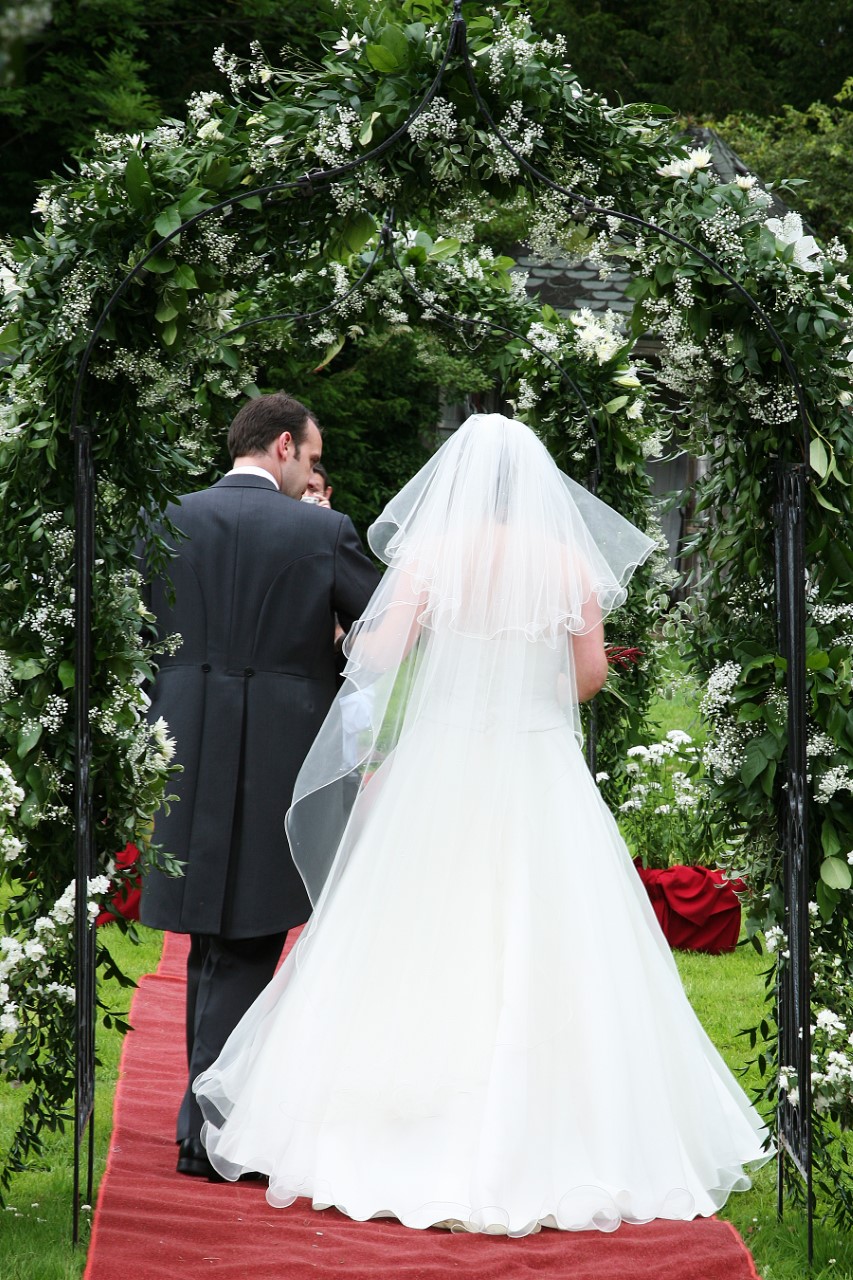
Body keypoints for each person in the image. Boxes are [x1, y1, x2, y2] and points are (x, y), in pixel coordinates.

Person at [194, 413, 771, 1233]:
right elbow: (587, 677)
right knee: (551, 935)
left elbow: (381, 655)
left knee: (422, 931)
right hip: (536, 766)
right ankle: (554, 1119)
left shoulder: (432, 558)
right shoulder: (566, 560)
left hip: (442, 761)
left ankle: (402, 1114)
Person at [138, 391, 380, 1180]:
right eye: (311, 458)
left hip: (184, 742)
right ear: (282, 446)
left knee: (215, 938)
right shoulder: (322, 531)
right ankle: (207, 1129)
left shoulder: (167, 516)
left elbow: (138, 635)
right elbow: (378, 633)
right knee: (245, 938)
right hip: (278, 748)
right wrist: (329, 661)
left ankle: (204, 1120)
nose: (313, 473)